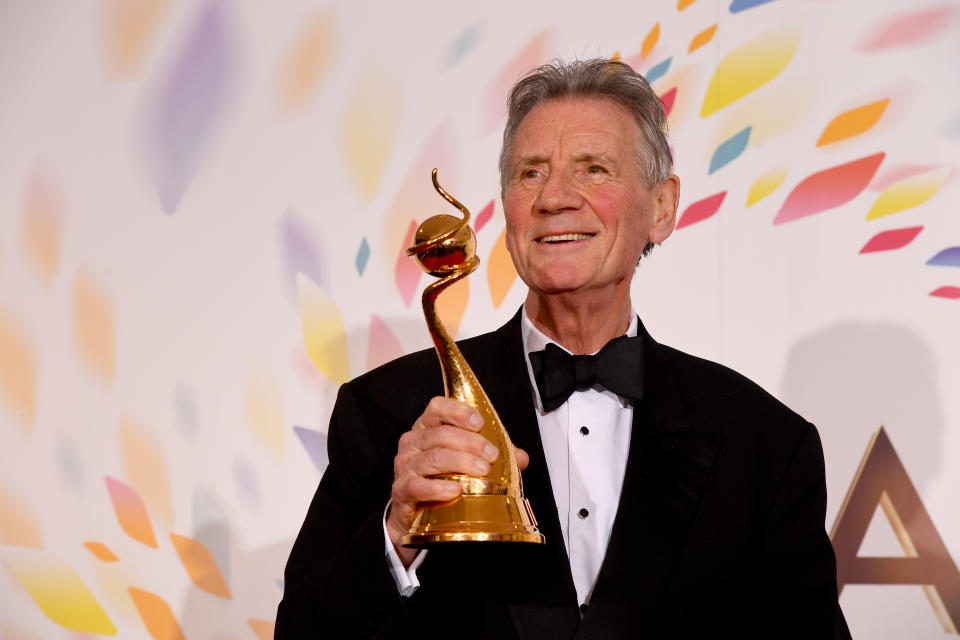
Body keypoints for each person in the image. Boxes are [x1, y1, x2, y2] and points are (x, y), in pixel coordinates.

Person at [276, 58, 850, 639]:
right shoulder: (389, 413)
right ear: (507, 210)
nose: (555, 198)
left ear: (661, 207)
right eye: (530, 174)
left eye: (594, 168)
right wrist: (397, 534)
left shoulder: (764, 441)